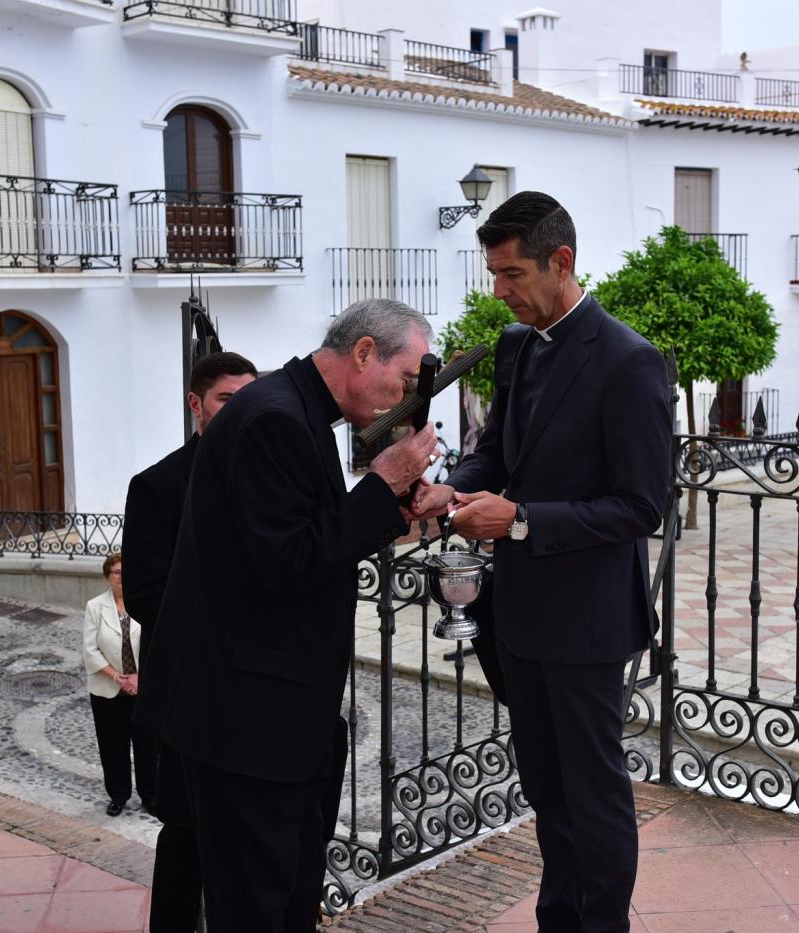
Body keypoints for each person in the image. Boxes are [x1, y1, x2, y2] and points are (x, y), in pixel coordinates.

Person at [135, 298, 438, 931]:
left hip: (270, 716)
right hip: (247, 725)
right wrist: (381, 486)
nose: (402, 398)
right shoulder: (275, 417)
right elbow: (292, 563)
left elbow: (302, 537)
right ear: (362, 354)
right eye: (403, 380)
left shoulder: (293, 408)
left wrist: (393, 509)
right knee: (257, 907)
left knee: (287, 899)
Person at [413, 191, 671, 932]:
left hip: (588, 624)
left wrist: (520, 519)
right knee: (546, 791)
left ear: (562, 262)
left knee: (593, 796)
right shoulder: (516, 347)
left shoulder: (631, 362)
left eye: (512, 274)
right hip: (518, 618)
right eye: (493, 274)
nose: (499, 291)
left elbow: (639, 506)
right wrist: (449, 490)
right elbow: (496, 450)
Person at [123, 351, 257, 932]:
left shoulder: (271, 473)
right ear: (196, 404)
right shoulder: (155, 486)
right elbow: (146, 597)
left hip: (257, 686)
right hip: (187, 689)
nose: (239, 413)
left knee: (252, 829)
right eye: (229, 400)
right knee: (186, 830)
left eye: (248, 400)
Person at [82, 550, 154, 818]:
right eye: (116, 572)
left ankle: (151, 795)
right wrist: (116, 676)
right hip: (106, 689)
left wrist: (140, 678)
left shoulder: (145, 605)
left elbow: (156, 646)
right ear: (107, 576)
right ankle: (118, 795)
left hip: (142, 689)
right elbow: (90, 652)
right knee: (113, 746)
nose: (122, 578)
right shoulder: (95, 607)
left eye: (126, 572)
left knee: (148, 744)